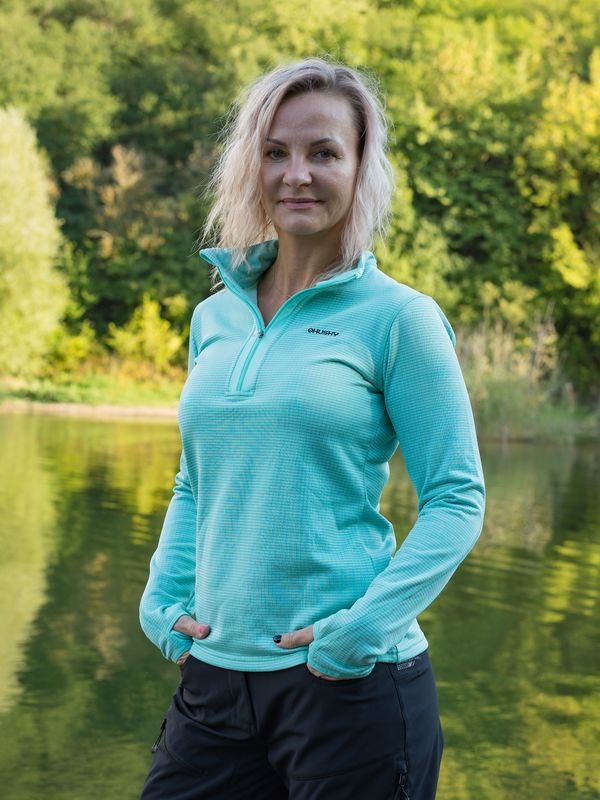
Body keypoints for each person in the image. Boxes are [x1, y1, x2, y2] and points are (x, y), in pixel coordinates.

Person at [138, 57, 485, 800]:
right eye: (276, 152)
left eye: (323, 152)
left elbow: (457, 499)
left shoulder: (400, 319)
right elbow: (195, 479)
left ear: (361, 168)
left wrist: (360, 630)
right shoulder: (214, 316)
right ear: (251, 165)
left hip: (349, 685)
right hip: (215, 680)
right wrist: (161, 595)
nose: (296, 174)